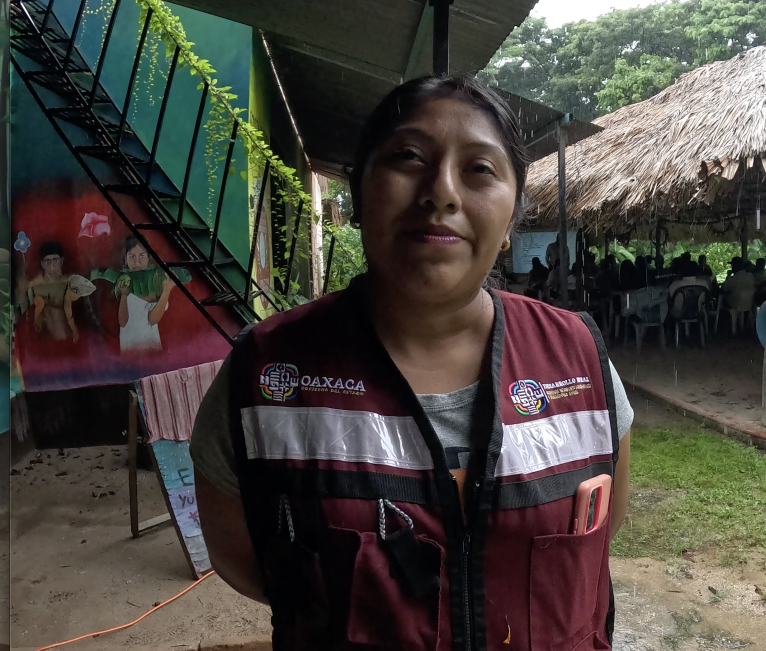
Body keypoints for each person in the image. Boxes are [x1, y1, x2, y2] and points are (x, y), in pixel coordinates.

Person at [191, 76, 634, 651]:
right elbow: (253, 565)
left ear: (510, 223)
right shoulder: (264, 375)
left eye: (479, 169)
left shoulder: (577, 358)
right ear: (355, 197)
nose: (441, 192)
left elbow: (603, 532)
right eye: (407, 157)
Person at [25, 241, 96, 342]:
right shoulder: (34, 287)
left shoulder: (72, 282)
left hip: (71, 339)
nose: (52, 267)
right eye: (47, 262)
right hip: (43, 340)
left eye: (55, 260)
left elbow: (88, 313)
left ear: (62, 261)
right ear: (42, 264)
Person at [118, 237, 174, 353]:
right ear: (125, 259)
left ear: (148, 258)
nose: (137, 262)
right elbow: (122, 322)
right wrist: (124, 295)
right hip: (129, 346)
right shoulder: (124, 283)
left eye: (142, 256)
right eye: (132, 256)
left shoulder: (155, 284)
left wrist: (166, 290)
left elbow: (153, 320)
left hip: (151, 346)